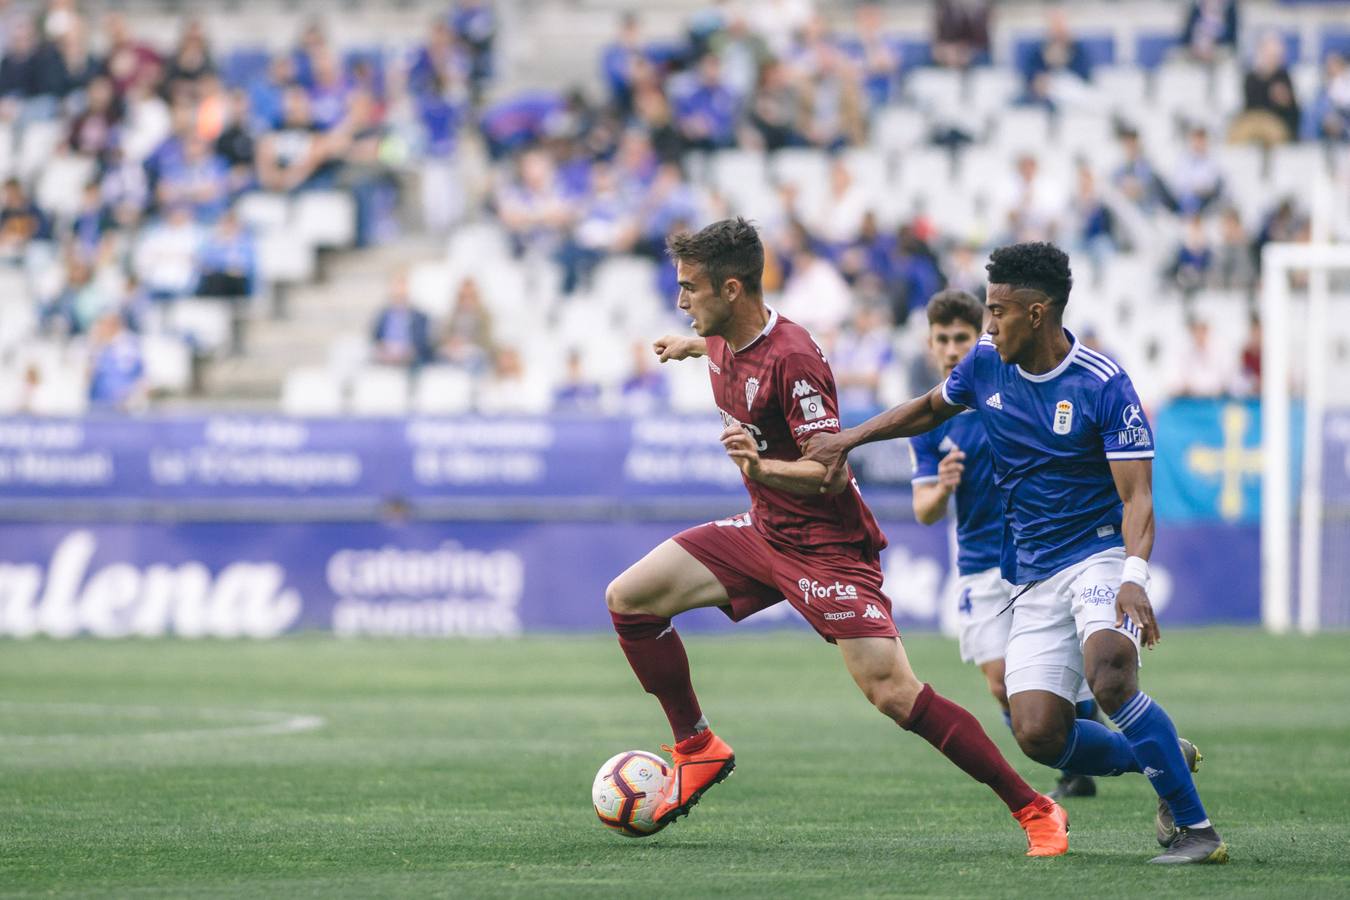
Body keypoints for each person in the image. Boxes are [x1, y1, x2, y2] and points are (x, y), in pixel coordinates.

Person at [608, 218, 1069, 855]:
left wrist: (759, 467)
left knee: (894, 693)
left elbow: (829, 472)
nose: (681, 301)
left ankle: (1036, 808)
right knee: (630, 598)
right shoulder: (721, 337)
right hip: (764, 530)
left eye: (690, 289)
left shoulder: (793, 358)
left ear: (734, 289)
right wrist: (688, 347)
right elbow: (719, 353)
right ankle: (697, 747)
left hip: (826, 546)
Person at [806, 242, 1228, 865]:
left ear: (1037, 314)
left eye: (998, 311)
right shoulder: (983, 366)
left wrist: (1134, 575)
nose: (988, 324)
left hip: (1099, 556)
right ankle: (1161, 755)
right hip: (1031, 573)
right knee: (1036, 731)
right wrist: (849, 437)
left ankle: (1197, 830)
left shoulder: (1103, 384)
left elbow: (1137, 498)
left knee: (1108, 672)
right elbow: (927, 409)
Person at [910, 289, 1101, 801]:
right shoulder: (931, 422)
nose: (952, 349)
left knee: (1061, 679)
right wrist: (943, 488)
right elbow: (923, 512)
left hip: (1036, 558)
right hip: (977, 564)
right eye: (943, 340)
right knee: (1000, 684)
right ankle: (1076, 748)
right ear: (931, 346)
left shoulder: (1008, 398)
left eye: (962, 338)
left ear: (982, 341)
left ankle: (1078, 762)